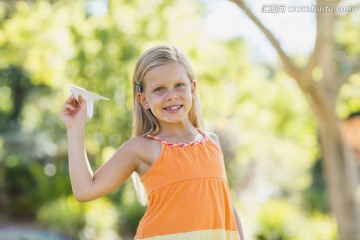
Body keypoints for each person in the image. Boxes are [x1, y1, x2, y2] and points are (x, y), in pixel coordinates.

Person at [60, 45, 245, 240]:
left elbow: (227, 206)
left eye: (179, 85)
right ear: (143, 100)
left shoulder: (211, 142)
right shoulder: (141, 148)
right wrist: (75, 128)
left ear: (192, 88)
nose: (171, 95)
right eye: (159, 89)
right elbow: (84, 190)